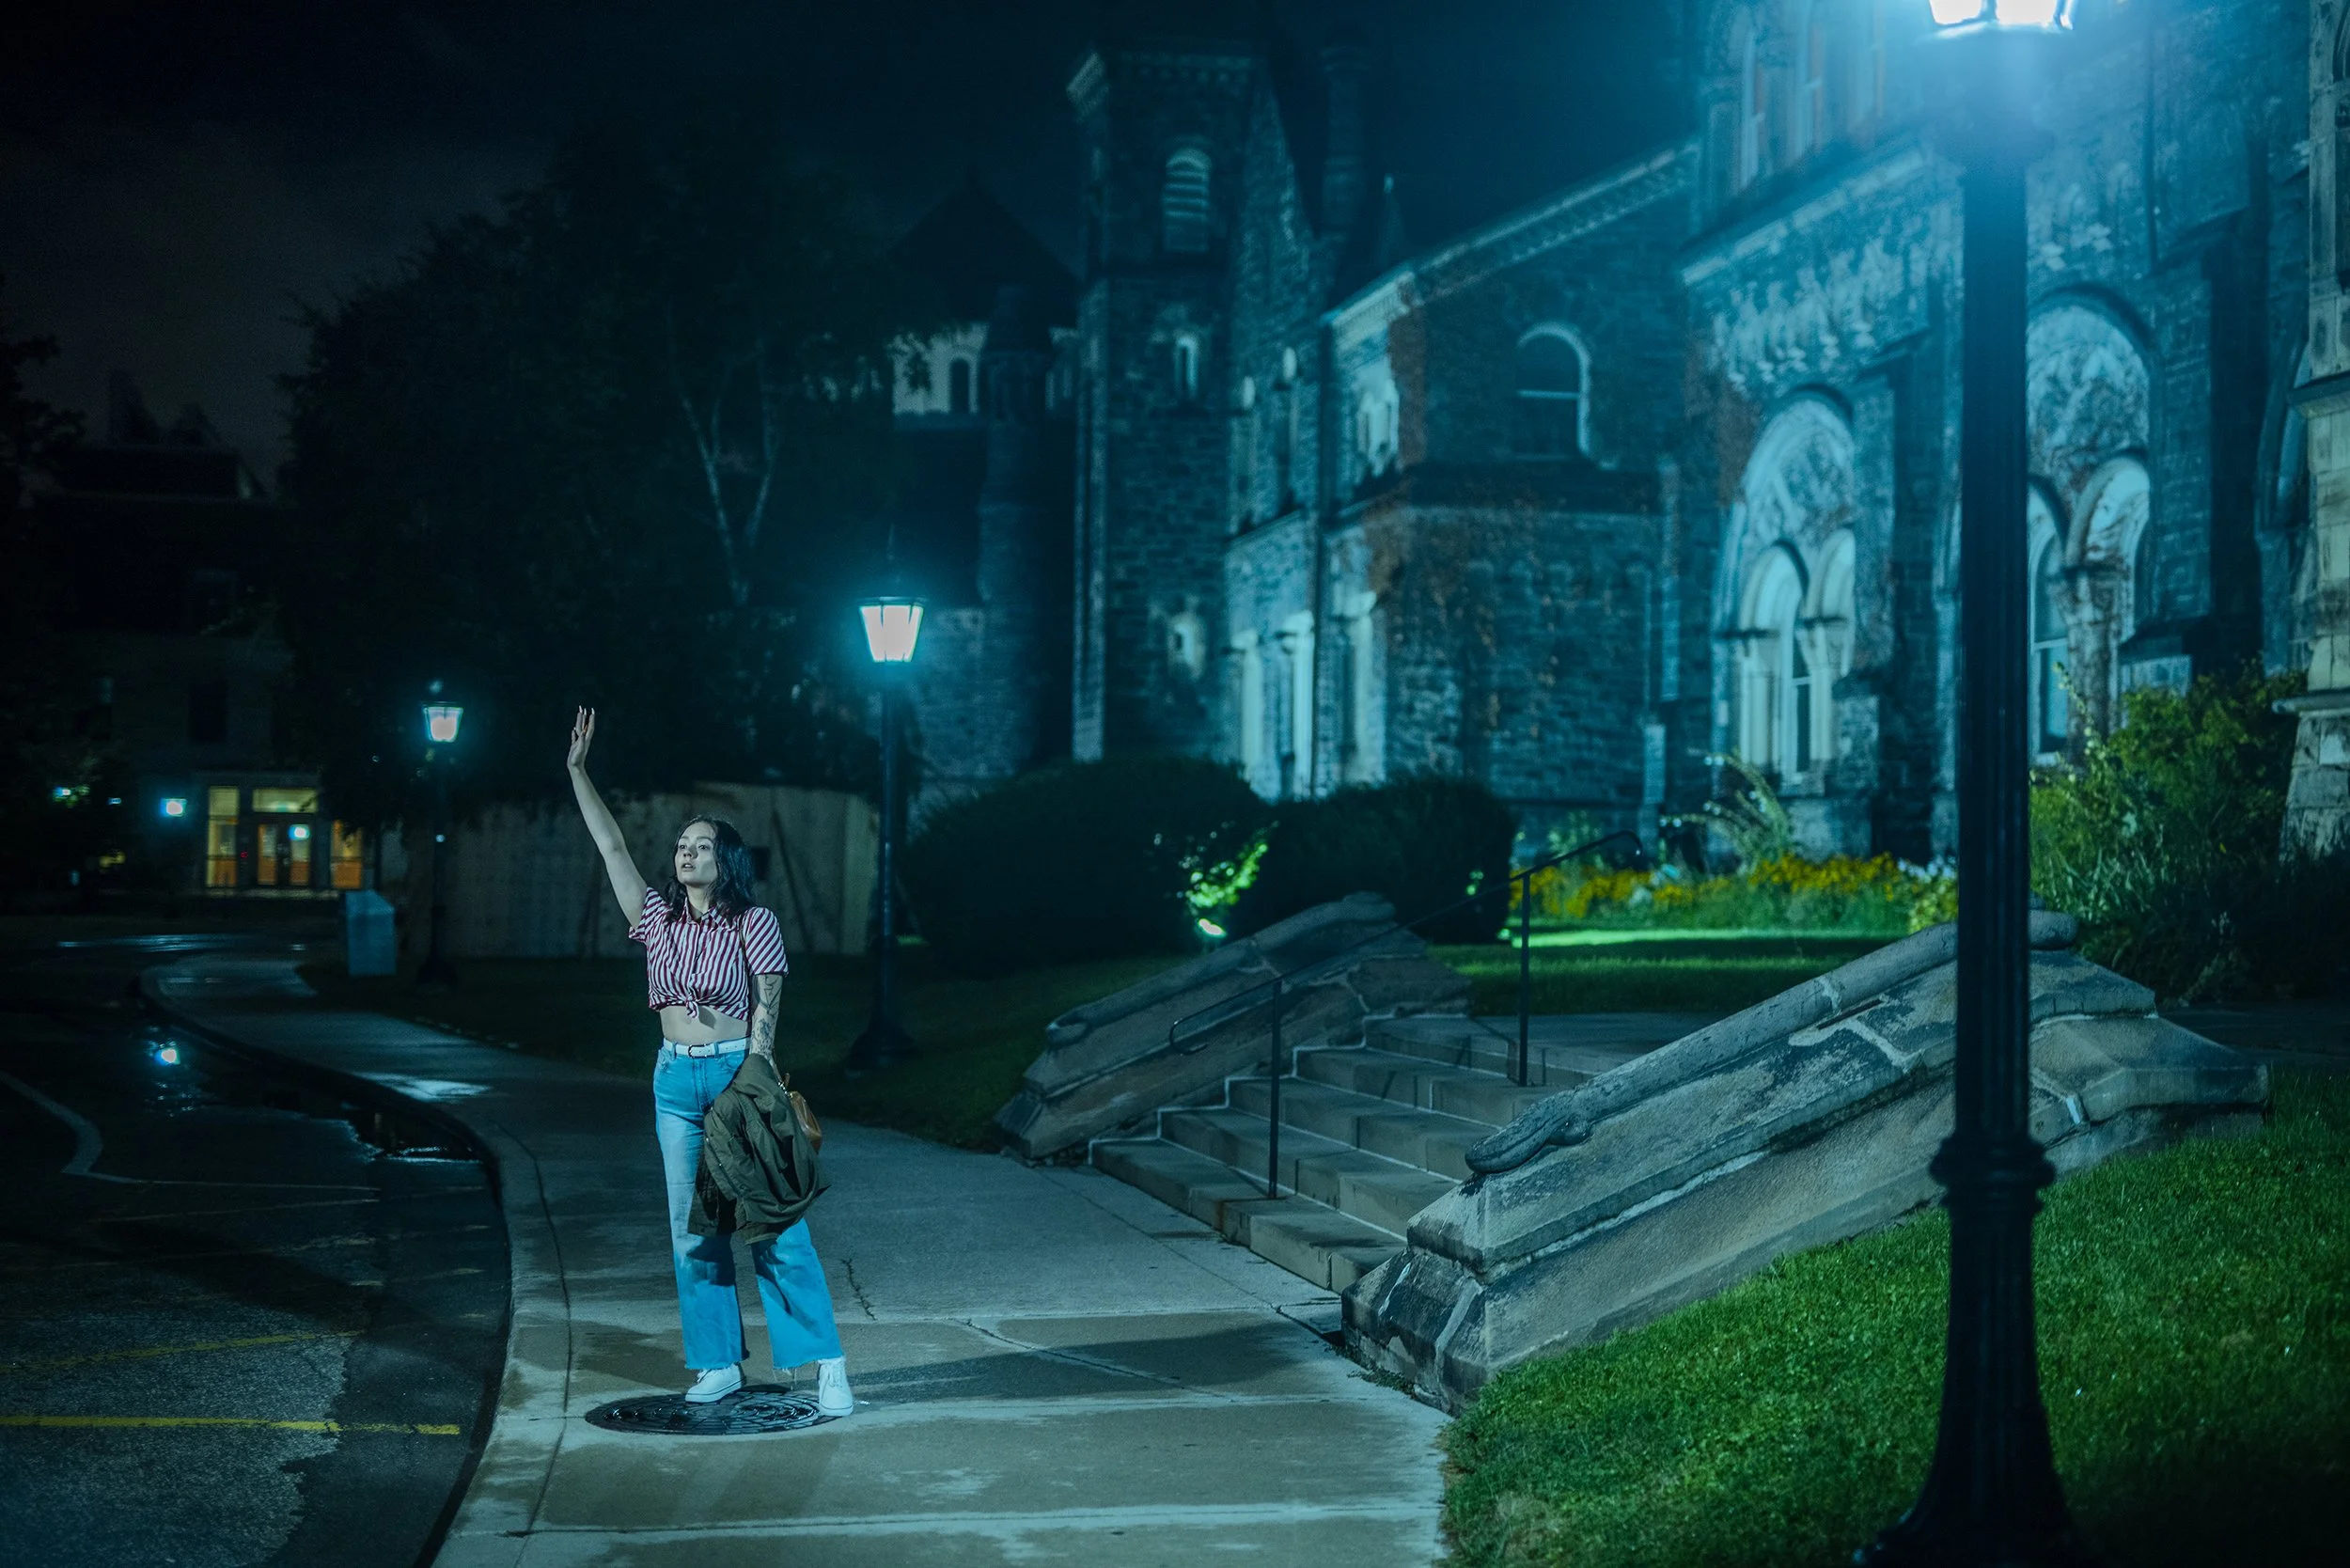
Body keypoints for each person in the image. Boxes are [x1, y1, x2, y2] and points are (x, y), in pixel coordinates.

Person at [565, 706, 852, 1413]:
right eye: (681, 845)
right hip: (672, 1084)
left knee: (773, 1224)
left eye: (700, 845)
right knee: (693, 1231)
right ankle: (717, 1362)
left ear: (726, 859)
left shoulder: (751, 921)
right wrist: (578, 770)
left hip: (733, 1077)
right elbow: (611, 849)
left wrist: (754, 1072)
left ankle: (825, 1363)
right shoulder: (656, 921)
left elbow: (769, 995)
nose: (685, 852)